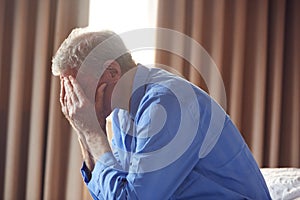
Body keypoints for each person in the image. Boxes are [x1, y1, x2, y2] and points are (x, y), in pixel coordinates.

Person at [51, 27, 271, 200]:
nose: (74, 99)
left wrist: (92, 133)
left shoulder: (167, 103)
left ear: (112, 72)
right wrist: (85, 131)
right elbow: (112, 192)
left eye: (76, 86)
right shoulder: (121, 112)